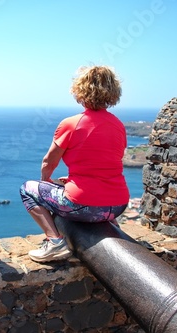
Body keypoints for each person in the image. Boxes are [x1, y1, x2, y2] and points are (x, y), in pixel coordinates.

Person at [19, 65, 130, 262]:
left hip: (84, 205)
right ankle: (111, 226)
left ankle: (54, 242)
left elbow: (48, 162)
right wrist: (72, 180)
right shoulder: (118, 125)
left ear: (80, 90)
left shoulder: (71, 123)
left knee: (27, 189)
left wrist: (47, 184)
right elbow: (104, 163)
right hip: (118, 204)